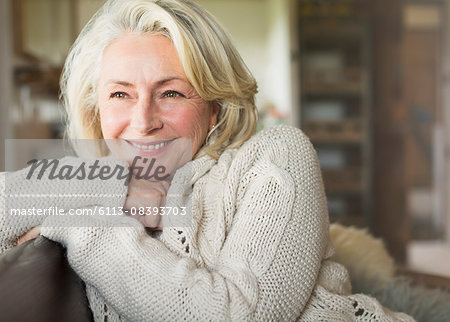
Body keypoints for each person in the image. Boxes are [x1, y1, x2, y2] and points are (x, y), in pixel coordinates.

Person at [0, 0, 414, 321]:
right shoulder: (89, 179)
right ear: (97, 110)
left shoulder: (275, 155)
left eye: (172, 93)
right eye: (120, 94)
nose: (142, 121)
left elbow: (241, 315)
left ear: (215, 107)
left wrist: (83, 228)